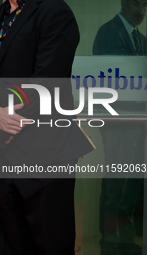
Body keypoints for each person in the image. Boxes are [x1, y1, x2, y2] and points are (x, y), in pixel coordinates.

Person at [0, 0, 94, 254]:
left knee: (50, 243)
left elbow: (44, 83)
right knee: (10, 245)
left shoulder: (56, 12)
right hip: (6, 160)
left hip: (46, 155)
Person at [93, 1, 146, 254]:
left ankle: (124, 237)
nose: (142, 10)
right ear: (125, 3)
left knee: (132, 177)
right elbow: (111, 79)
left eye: (145, 5)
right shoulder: (108, 32)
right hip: (117, 120)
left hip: (138, 121)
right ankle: (111, 239)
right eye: (137, 4)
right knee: (116, 176)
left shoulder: (141, 39)